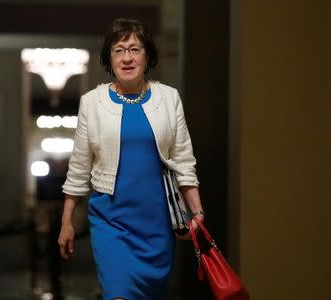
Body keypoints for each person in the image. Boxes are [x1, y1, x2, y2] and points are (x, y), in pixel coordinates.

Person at [58, 18, 205, 300]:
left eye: (135, 49)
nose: (127, 57)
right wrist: (67, 222)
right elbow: (78, 168)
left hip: (156, 224)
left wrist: (197, 212)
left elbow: (184, 161)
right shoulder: (92, 102)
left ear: (147, 55)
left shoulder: (169, 98)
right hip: (111, 222)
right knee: (119, 294)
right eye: (118, 50)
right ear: (109, 58)